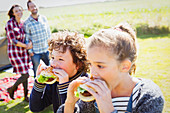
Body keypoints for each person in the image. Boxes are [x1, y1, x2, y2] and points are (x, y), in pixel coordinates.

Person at [58, 23, 164, 113]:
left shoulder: (148, 96)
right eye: (90, 64)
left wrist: (107, 108)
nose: (92, 73)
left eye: (100, 66)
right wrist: (70, 103)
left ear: (125, 66)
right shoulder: (92, 95)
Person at [29, 31, 89, 113]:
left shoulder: (85, 86)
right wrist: (39, 82)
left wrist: (64, 87)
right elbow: (35, 107)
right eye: (53, 57)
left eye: (60, 59)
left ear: (78, 64)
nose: (53, 63)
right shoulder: (55, 81)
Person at [5, 4, 32, 102]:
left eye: (20, 10)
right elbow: (13, 41)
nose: (19, 12)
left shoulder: (23, 23)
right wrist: (26, 46)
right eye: (16, 11)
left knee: (25, 73)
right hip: (15, 52)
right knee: (25, 75)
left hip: (24, 53)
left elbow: (27, 36)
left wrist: (29, 44)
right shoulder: (10, 23)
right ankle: (12, 88)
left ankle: (25, 96)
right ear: (13, 13)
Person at [24, 0, 51, 78]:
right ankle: (37, 88)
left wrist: (50, 46)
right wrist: (30, 51)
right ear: (28, 9)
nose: (34, 8)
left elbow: (48, 33)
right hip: (35, 52)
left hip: (46, 49)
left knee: (51, 69)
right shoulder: (27, 23)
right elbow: (27, 38)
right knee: (36, 71)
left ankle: (51, 87)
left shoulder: (43, 18)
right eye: (31, 7)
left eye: (35, 6)